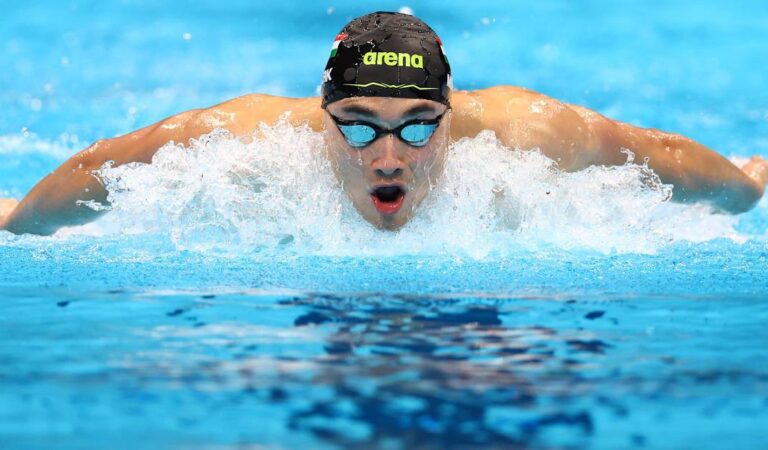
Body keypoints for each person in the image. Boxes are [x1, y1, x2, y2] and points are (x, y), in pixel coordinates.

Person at [1, 11, 766, 235]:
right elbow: (115, 161)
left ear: (452, 114)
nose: (389, 156)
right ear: (322, 117)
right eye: (360, 127)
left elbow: (655, 152)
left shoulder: (523, 133)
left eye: (419, 126)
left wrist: (748, 192)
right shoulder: (245, 139)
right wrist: (14, 223)